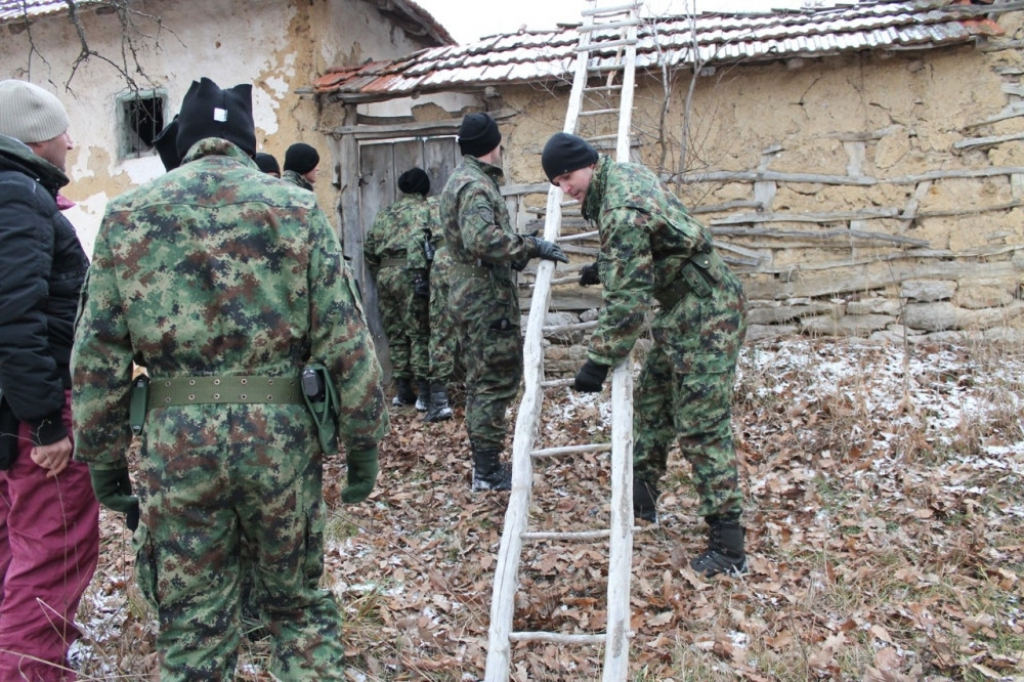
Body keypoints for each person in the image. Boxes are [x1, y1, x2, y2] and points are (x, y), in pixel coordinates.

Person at [71, 77, 389, 680]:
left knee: (192, 624)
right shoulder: (295, 210)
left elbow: (97, 356)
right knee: (296, 609)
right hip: (280, 441)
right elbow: (347, 340)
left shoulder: (128, 216)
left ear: (186, 141)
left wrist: (104, 461)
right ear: (246, 142)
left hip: (177, 444)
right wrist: (365, 445)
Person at [541, 131, 748, 577]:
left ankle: (729, 547)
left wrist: (597, 361)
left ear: (589, 163)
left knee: (701, 424)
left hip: (708, 312)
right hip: (682, 310)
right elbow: (658, 235)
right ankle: (641, 506)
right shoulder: (622, 177)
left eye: (567, 176)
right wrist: (614, 263)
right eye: (556, 182)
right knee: (653, 403)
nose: (564, 188)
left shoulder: (618, 207)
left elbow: (628, 304)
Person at [0, 79, 101, 681]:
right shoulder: (18, 197)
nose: (70, 141)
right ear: (37, 136)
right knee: (51, 553)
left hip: (8, 410)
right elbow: (16, 315)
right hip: (30, 415)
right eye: (64, 130)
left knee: (15, 547)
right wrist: (45, 423)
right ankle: (29, 667)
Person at [440, 113, 567, 491]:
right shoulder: (475, 186)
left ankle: (485, 466)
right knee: (494, 381)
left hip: (472, 290)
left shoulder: (461, 180)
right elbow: (483, 240)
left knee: (484, 380)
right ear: (495, 145)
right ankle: (488, 472)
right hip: (484, 296)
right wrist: (530, 246)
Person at [364, 167, 433, 410]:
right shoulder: (425, 208)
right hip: (411, 272)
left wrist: (382, 271)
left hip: (385, 274)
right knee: (419, 333)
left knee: (396, 334)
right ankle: (425, 393)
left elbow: (369, 248)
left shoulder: (385, 214)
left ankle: (403, 391)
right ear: (424, 188)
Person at [422, 194, 456, 422]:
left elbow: (420, 241)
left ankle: (439, 401)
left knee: (441, 331)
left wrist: (419, 274)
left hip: (443, 261)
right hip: (470, 261)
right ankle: (479, 394)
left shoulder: (431, 205)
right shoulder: (474, 193)